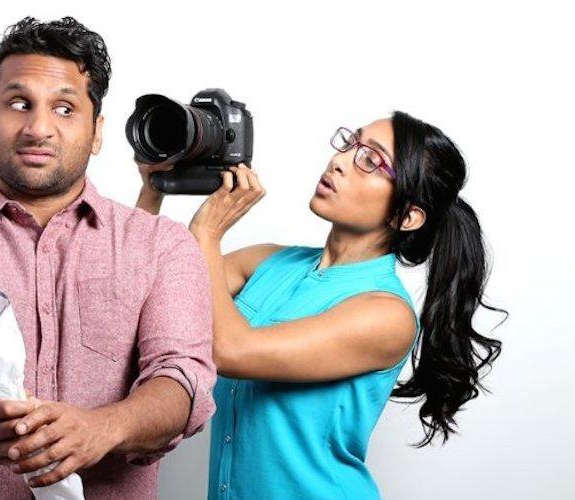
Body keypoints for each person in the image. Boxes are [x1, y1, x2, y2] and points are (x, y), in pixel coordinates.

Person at [0, 17, 215, 499]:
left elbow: (184, 381)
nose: (38, 127)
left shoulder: (162, 246)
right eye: (18, 103)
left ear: (97, 133)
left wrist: (103, 428)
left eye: (65, 108)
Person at [136, 112, 504, 499]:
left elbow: (230, 350)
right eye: (349, 143)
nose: (340, 160)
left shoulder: (386, 314)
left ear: (407, 216)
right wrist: (154, 189)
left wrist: (207, 234)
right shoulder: (267, 262)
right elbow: (142, 299)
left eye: (371, 161)